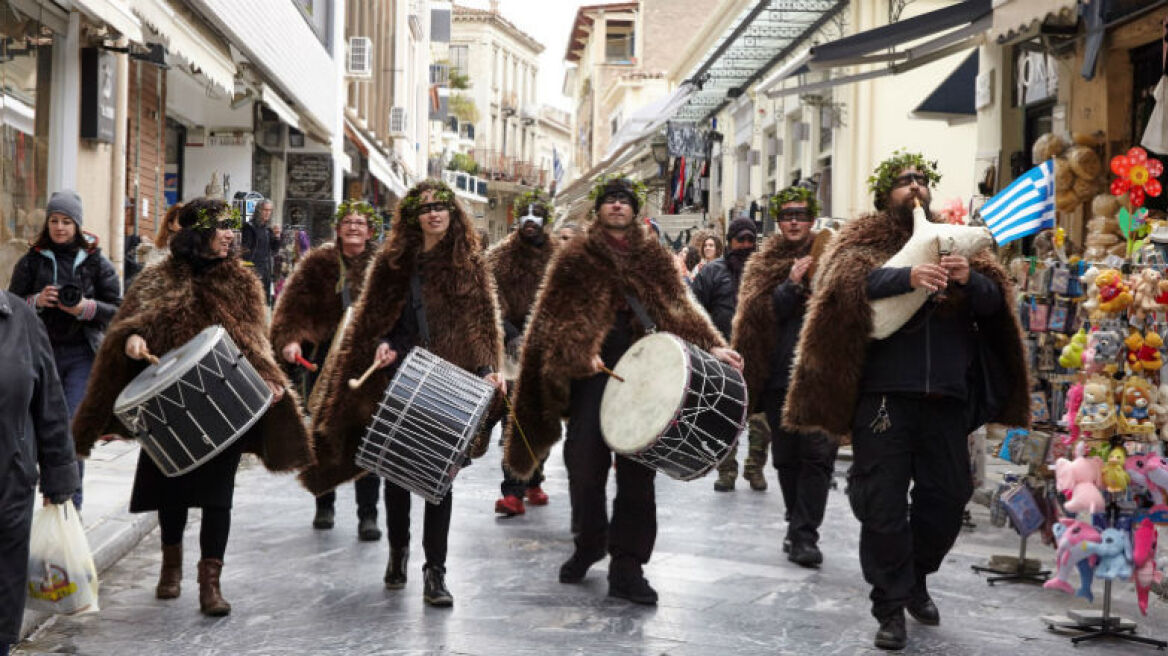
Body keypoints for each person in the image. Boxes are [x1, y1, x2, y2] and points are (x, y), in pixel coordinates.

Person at [783, 152, 1028, 651]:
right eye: (902, 181)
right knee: (884, 506)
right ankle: (890, 606)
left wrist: (969, 280)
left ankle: (915, 576)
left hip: (946, 398)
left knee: (948, 497)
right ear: (884, 195)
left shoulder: (955, 239)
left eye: (920, 179)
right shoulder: (861, 242)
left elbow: (994, 305)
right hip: (884, 398)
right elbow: (838, 289)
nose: (913, 187)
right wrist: (906, 277)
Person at [503, 176, 742, 605]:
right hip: (591, 377)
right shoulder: (574, 256)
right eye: (609, 200)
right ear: (599, 210)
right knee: (584, 468)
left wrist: (714, 347)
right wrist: (579, 352)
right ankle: (590, 542)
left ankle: (628, 567)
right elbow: (551, 318)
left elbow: (678, 307)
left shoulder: (652, 256)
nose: (616, 206)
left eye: (624, 201)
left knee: (637, 477)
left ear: (634, 209)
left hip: (645, 377)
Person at [71, 197, 313, 617]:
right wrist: (132, 340)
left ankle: (210, 582)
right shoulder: (156, 279)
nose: (229, 234)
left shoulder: (243, 283)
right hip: (168, 401)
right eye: (220, 227)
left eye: (230, 228)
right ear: (197, 234)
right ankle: (171, 564)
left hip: (222, 401)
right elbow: (130, 324)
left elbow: (256, 342)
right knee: (172, 490)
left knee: (219, 495)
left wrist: (270, 380)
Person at [301, 179, 504, 608]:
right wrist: (382, 341)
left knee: (439, 481)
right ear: (413, 217)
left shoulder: (471, 264)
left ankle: (436, 572)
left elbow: (483, 323)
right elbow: (374, 319)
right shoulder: (392, 262)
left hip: (450, 383)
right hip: (401, 380)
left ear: (453, 213)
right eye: (424, 208)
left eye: (440, 207)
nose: (433, 214)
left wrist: (487, 369)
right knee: (396, 474)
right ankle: (398, 552)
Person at [732, 186, 837, 568]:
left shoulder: (832, 255)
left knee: (819, 455)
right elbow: (757, 315)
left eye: (801, 215)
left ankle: (806, 533)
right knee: (787, 456)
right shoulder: (763, 262)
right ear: (779, 221)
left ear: (812, 220)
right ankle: (796, 521)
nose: (794, 221)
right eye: (788, 215)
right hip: (779, 373)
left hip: (821, 371)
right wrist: (791, 285)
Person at [270, 199, 382, 540]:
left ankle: (368, 514)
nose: (353, 227)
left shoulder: (383, 265)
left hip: (368, 366)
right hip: (323, 363)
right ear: (338, 227)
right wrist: (291, 339)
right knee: (322, 433)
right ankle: (324, 502)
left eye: (360, 223)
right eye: (348, 221)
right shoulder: (317, 263)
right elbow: (292, 308)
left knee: (369, 438)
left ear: (370, 230)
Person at [9, 189, 122, 510]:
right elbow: (10, 307)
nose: (60, 227)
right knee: (31, 432)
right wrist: (36, 301)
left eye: (67, 221)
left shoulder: (96, 262)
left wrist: (85, 308)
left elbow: (118, 310)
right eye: (55, 221)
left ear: (78, 225)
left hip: (81, 356)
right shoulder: (31, 261)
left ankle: (70, 509)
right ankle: (41, 504)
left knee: (72, 433)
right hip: (38, 357)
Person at [0, 290, 80, 656]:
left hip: (9, 480)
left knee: (2, 595)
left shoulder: (21, 319)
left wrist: (58, 475)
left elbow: (49, 402)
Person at [691, 217, 772, 493]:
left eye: (751, 240)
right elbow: (694, 311)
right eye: (741, 240)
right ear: (731, 241)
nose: (746, 245)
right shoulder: (712, 272)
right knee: (725, 416)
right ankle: (726, 471)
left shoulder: (765, 272)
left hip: (759, 356)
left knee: (761, 420)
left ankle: (755, 468)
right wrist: (708, 346)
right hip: (723, 358)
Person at [490, 189, 558, 517]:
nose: (530, 222)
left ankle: (534, 479)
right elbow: (491, 301)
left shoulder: (559, 255)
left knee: (545, 416)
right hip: (512, 348)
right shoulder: (500, 257)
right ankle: (513, 491)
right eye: (525, 216)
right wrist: (512, 334)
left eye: (537, 216)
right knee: (514, 418)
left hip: (547, 348)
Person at [241, 198, 276, 304]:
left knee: (263, 302)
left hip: (266, 271)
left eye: (270, 210)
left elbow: (274, 249)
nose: (267, 213)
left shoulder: (267, 230)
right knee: (252, 301)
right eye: (265, 210)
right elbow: (245, 252)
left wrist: (277, 237)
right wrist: (249, 269)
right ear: (258, 210)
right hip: (253, 270)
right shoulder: (249, 227)